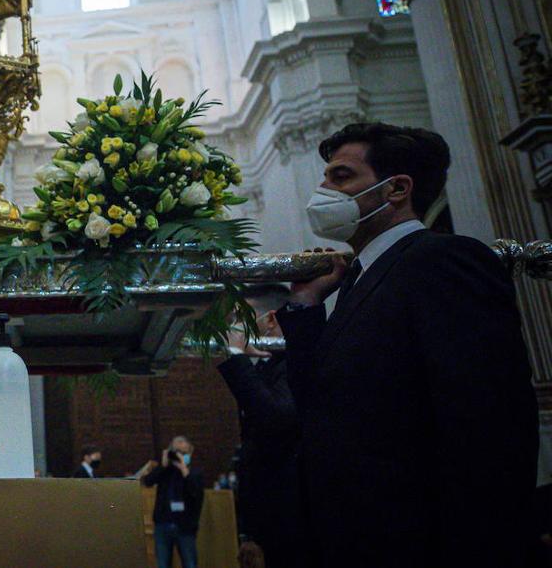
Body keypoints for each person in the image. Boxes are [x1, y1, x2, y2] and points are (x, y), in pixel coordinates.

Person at [278, 122, 537, 568]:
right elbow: (323, 402)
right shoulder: (360, 278)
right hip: (360, 537)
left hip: (424, 540)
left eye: (341, 177)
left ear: (396, 188)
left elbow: (489, 423)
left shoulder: (443, 260)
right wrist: (304, 304)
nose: (322, 192)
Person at [217, 284, 304, 568]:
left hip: (293, 520)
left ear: (270, 320)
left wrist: (236, 354)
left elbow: (275, 419)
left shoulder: (294, 363)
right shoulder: (269, 365)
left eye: (241, 318)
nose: (234, 326)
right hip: (271, 519)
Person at [142, 436, 204, 568]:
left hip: (185, 526)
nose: (179, 456)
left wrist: (184, 469)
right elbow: (147, 482)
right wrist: (162, 466)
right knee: (163, 564)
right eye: (176, 452)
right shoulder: (165, 471)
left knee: (190, 563)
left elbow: (195, 492)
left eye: (183, 453)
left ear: (190, 453)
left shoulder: (195, 472)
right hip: (163, 524)